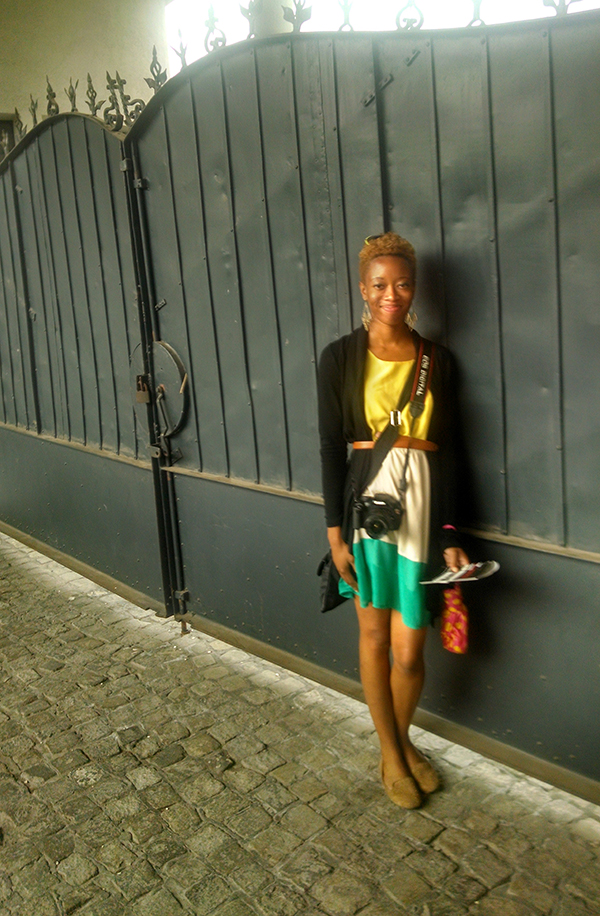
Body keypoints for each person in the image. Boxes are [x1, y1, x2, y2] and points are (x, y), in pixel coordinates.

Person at [317, 232, 468, 809]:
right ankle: (393, 753)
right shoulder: (339, 356)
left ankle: (396, 745)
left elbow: (451, 452)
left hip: (423, 515)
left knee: (409, 651)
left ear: (415, 288)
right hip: (365, 513)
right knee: (375, 637)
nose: (391, 294)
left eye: (402, 284)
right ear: (363, 288)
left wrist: (450, 533)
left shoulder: (438, 361)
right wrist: (334, 534)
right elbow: (330, 447)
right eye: (380, 284)